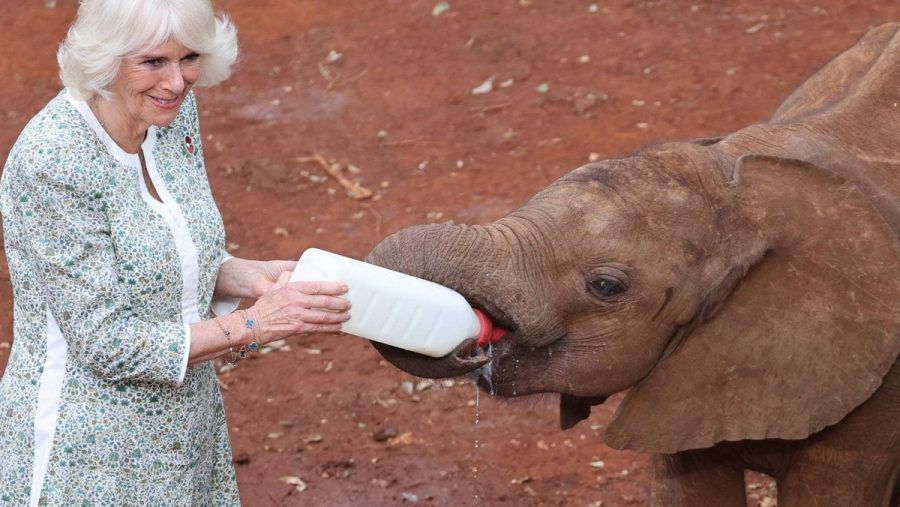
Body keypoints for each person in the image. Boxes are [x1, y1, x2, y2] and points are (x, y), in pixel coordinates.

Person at [0, 0, 351, 504]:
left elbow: (173, 255)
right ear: (105, 58)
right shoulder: (53, 160)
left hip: (183, 427)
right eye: (152, 62)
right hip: (89, 452)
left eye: (189, 58)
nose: (177, 82)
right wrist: (256, 326)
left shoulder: (168, 116)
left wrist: (252, 278)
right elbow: (108, 343)